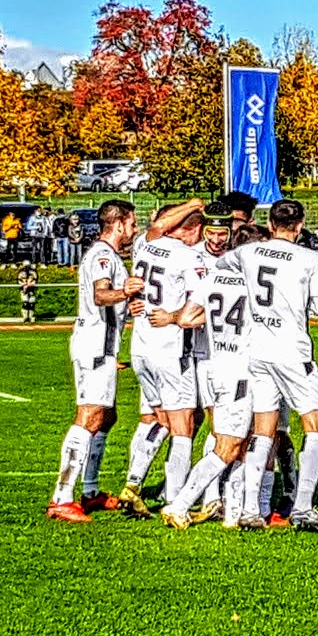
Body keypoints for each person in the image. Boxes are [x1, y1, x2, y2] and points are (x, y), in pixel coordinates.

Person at [219, 199, 318, 532]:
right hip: (293, 352)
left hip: (259, 351)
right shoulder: (309, 259)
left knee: (263, 429)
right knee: (316, 425)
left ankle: (250, 510)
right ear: (299, 226)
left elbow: (221, 264)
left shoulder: (249, 253)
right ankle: (302, 507)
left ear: (270, 225)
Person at [45, 199, 143, 523]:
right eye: (132, 224)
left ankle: (90, 491)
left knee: (107, 417)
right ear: (118, 224)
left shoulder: (109, 256)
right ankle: (62, 498)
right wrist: (125, 292)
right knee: (89, 416)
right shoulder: (103, 255)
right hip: (95, 347)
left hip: (105, 348)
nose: (135, 230)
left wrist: (129, 304)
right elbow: (100, 295)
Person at [157, 224, 259, 531]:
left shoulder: (213, 277)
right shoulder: (253, 283)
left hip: (214, 365)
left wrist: (215, 318)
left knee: (232, 440)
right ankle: (180, 504)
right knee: (229, 445)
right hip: (240, 370)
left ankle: (232, 514)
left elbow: (187, 317)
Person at [116, 200, 209, 518]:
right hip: (170, 349)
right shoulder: (188, 256)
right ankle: (176, 499)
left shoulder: (146, 244)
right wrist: (175, 316)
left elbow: (157, 224)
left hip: (141, 347)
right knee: (183, 427)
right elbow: (201, 303)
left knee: (158, 421)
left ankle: (132, 484)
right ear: (195, 228)